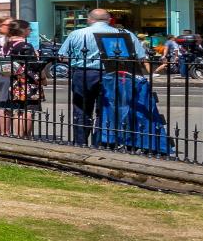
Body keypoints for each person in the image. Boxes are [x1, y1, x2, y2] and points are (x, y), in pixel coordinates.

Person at [58, 8, 147, 147]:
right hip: (113, 73)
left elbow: (62, 56)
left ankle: (80, 142)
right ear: (109, 20)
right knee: (108, 108)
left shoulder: (77, 34)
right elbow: (140, 56)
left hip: (84, 73)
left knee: (82, 109)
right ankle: (103, 141)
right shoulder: (124, 34)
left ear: (89, 19)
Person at [0, 18, 43, 138]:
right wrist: (39, 59)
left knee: (18, 110)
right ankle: (25, 136)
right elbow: (34, 65)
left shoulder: (6, 44)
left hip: (13, 81)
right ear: (23, 30)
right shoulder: (25, 45)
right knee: (28, 110)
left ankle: (18, 135)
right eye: (29, 29)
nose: (30, 31)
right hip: (26, 81)